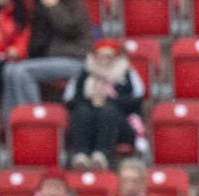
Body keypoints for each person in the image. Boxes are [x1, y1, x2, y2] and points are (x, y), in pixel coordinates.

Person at [3, 0, 95, 111]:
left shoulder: (75, 6)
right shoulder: (40, 10)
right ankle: (10, 122)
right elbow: (35, 44)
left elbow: (69, 29)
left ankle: (32, 116)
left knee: (23, 71)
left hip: (75, 59)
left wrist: (53, 7)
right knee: (9, 70)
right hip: (50, 60)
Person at [63, 39, 147, 170]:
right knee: (82, 112)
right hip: (89, 117)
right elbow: (70, 99)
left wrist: (113, 97)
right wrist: (91, 98)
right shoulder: (84, 73)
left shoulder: (127, 73)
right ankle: (81, 155)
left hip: (120, 122)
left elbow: (137, 98)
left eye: (108, 57)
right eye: (100, 57)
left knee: (109, 111)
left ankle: (102, 155)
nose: (104, 60)